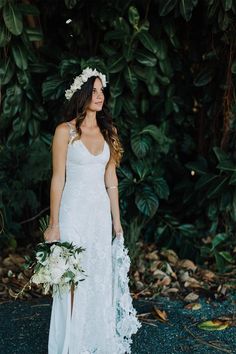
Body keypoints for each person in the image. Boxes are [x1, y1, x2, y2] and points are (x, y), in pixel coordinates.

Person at [44, 67, 141, 354]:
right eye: (94, 91)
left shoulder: (108, 131)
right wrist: (54, 223)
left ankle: (94, 340)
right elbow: (58, 178)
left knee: (98, 274)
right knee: (74, 276)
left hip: (98, 214)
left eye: (101, 91)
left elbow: (111, 180)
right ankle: (71, 344)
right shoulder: (65, 131)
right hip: (72, 212)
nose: (99, 96)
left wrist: (117, 221)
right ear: (82, 94)